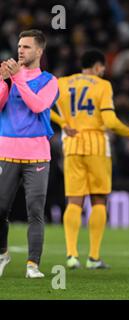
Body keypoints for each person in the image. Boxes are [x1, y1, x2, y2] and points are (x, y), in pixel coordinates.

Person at [51, 49, 129, 269]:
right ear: (97, 66)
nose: (104, 71)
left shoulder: (62, 83)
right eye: (103, 68)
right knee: (98, 200)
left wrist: (62, 123)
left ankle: (71, 255)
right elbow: (110, 121)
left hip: (71, 145)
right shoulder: (103, 85)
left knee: (74, 201)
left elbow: (40, 107)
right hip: (97, 145)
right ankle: (94, 257)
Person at [0, 29, 58, 278]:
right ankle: (3, 254)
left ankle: (32, 264)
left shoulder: (49, 81)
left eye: (26, 47)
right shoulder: (8, 77)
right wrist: (4, 82)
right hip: (6, 151)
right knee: (0, 209)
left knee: (35, 210)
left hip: (36, 154)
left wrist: (17, 79)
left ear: (39, 51)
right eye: (19, 46)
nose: (20, 50)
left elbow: (38, 106)